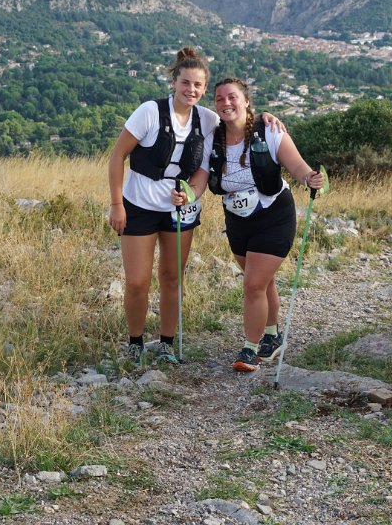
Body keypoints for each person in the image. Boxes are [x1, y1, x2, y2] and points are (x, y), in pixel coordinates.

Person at [108, 49, 284, 368]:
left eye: (198, 85)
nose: (191, 89)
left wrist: (265, 118)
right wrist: (117, 204)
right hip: (139, 205)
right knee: (136, 281)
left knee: (172, 277)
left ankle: (166, 343)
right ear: (174, 82)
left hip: (180, 209)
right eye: (186, 83)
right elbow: (117, 155)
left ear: (204, 89)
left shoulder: (208, 119)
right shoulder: (149, 112)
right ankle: (135, 343)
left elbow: (238, 120)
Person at [174, 77, 325, 373]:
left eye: (232, 97)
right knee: (262, 282)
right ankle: (272, 335)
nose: (226, 103)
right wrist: (188, 195)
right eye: (219, 98)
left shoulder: (269, 130)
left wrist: (310, 178)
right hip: (238, 220)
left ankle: (250, 350)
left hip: (274, 216)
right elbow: (201, 178)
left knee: (253, 284)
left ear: (245, 101)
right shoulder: (213, 139)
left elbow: (297, 166)